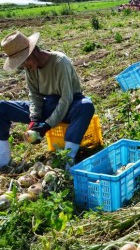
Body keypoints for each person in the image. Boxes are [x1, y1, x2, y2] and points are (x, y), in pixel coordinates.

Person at [0, 31, 95, 169]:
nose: (24, 67)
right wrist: (34, 118)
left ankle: (67, 160)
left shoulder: (60, 61)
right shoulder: (30, 67)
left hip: (69, 105)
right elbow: (34, 96)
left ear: (33, 52)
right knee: (2, 107)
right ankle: (3, 161)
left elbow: (66, 98)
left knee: (86, 106)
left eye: (24, 62)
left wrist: (47, 125)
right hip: (47, 105)